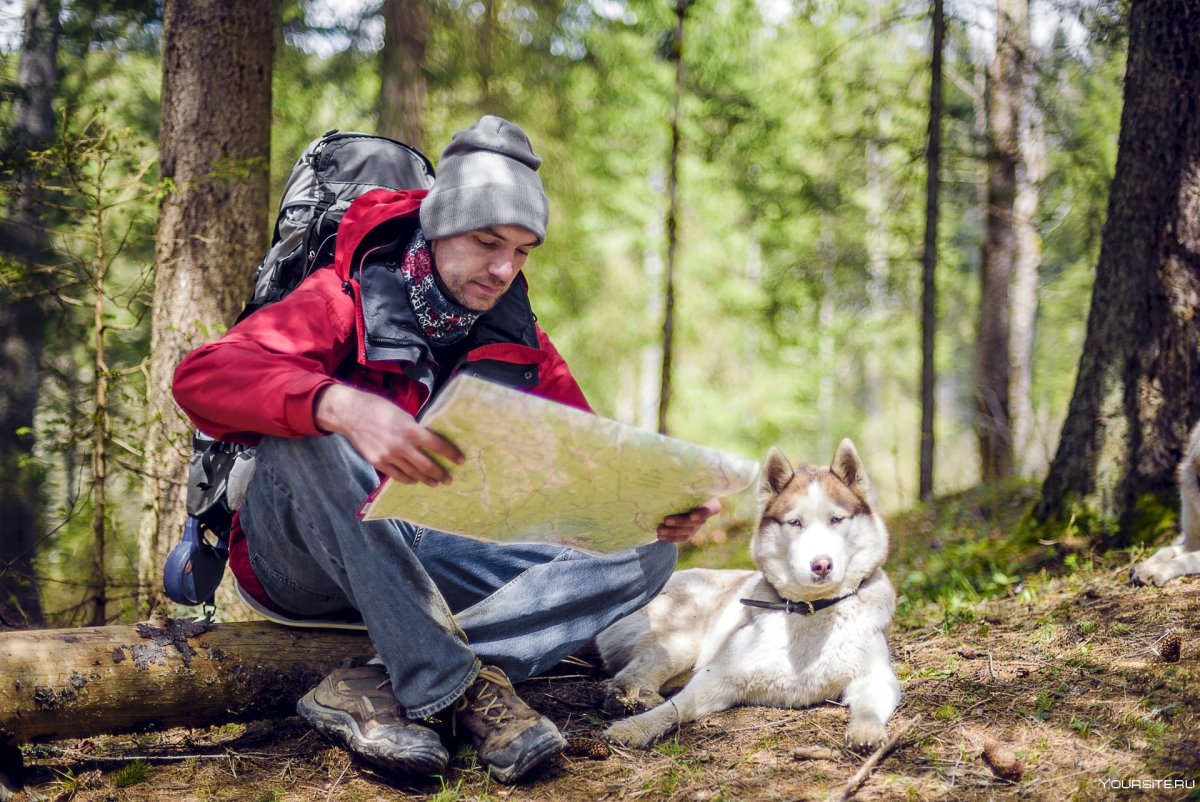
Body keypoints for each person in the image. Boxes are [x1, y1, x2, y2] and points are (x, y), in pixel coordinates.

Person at [172, 115, 719, 783]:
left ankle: (377, 680)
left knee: (648, 553)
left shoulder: (518, 339)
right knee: (307, 438)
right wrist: (336, 404)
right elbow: (201, 375)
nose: (502, 269)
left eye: (521, 251)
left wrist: (647, 507)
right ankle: (447, 682)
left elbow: (583, 468)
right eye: (488, 241)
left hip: (429, 550)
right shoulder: (341, 294)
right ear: (438, 226)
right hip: (304, 557)